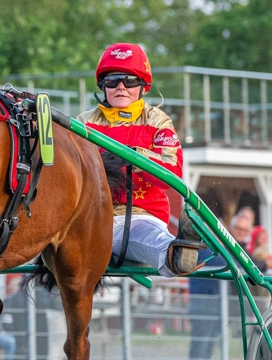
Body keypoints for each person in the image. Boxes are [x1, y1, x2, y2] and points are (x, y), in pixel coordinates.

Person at [78, 43, 203, 277]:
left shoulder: (158, 121)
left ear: (143, 87)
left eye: (130, 81)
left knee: (149, 238)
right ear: (103, 86)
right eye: (113, 80)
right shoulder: (83, 122)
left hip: (140, 215)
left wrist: (134, 156)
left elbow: (172, 173)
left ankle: (177, 254)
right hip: (90, 215)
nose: (121, 87)